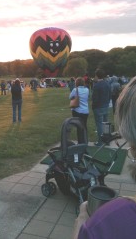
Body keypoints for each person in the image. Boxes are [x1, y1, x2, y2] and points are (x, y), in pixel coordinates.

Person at [73, 76, 136, 239]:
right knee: (101, 123)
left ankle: (96, 138)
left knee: (93, 125)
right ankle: (101, 137)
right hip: (101, 107)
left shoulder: (111, 220)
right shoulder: (105, 84)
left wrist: (81, 225)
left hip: (89, 109)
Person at [92, 68, 111, 146]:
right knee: (106, 124)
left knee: (99, 125)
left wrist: (93, 106)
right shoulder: (107, 84)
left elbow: (95, 98)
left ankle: (100, 142)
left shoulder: (96, 85)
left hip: (98, 107)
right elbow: (110, 95)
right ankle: (107, 141)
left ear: (96, 75)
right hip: (106, 106)